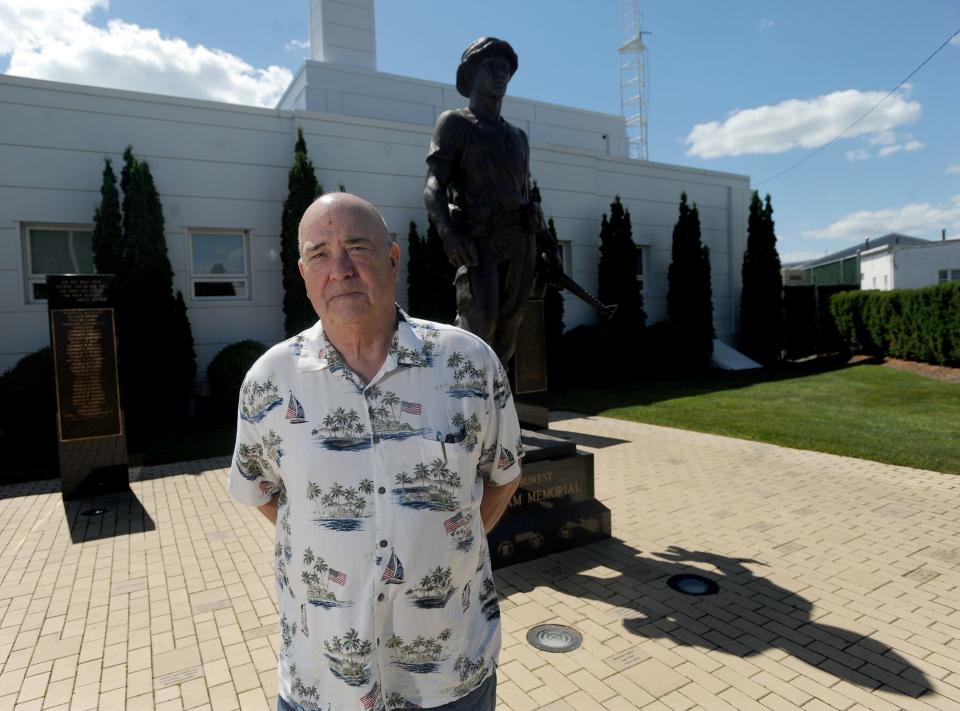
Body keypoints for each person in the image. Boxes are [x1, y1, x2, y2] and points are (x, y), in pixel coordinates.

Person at [228, 192, 522, 711]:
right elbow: (263, 492)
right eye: (320, 253)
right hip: (326, 678)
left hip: (450, 669)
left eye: (357, 248)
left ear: (391, 257)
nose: (339, 269)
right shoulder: (269, 383)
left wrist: (442, 537)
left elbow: (502, 476)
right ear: (303, 272)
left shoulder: (469, 364)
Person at [424, 37, 562, 365]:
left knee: (510, 327)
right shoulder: (455, 123)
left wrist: (549, 244)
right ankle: (456, 400)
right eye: (491, 66)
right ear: (470, 75)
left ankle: (492, 404)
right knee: (478, 325)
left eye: (505, 68)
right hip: (479, 240)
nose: (500, 73)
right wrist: (448, 233)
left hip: (521, 242)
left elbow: (525, 196)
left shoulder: (518, 137)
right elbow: (433, 186)